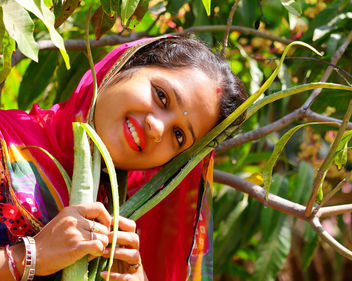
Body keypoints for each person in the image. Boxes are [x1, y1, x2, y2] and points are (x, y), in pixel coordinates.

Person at [0, 36, 247, 281]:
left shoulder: (124, 231)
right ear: (125, 65)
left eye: (179, 135)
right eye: (161, 96)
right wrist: (28, 256)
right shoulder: (4, 138)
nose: (157, 129)